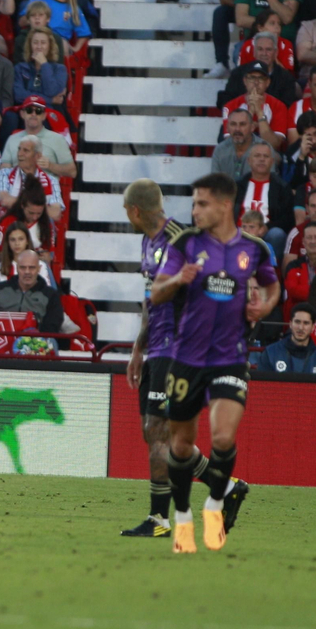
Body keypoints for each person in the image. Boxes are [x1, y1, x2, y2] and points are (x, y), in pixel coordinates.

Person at [150, 172, 278, 553]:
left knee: (222, 437)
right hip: (186, 359)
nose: (194, 210)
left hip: (230, 358)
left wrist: (264, 306)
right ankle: (184, 515)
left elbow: (273, 285)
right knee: (182, 445)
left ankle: (216, 503)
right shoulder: (184, 243)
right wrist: (177, 281)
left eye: (201, 203)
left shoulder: (254, 249)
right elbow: (156, 293)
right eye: (193, 203)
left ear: (224, 205)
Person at [118, 178, 185, 538]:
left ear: (135, 210)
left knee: (156, 428)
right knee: (157, 432)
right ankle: (226, 483)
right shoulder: (149, 240)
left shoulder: (180, 238)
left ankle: (159, 519)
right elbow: (150, 300)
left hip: (178, 346)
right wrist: (137, 349)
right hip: (157, 345)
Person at [250, 303, 316, 375]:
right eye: (297, 322)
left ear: (313, 327)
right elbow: (262, 388)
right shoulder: (270, 353)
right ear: (290, 324)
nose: (301, 327)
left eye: (306, 323)